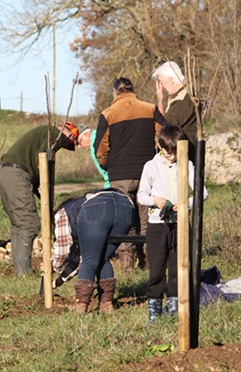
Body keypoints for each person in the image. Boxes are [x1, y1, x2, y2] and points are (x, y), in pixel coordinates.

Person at [93, 77, 168, 270]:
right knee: (147, 220)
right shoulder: (149, 108)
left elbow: (100, 149)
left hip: (119, 176)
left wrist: (110, 165)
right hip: (146, 173)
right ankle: (151, 262)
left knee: (124, 221)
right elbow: (165, 134)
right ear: (132, 90)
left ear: (114, 92)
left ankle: (127, 265)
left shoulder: (108, 114)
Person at [137, 125, 208, 323]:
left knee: (177, 267)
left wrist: (186, 203)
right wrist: (155, 200)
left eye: (176, 153)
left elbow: (203, 193)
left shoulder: (188, 166)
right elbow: (141, 196)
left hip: (180, 224)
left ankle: (175, 306)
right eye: (168, 153)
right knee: (157, 268)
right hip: (157, 225)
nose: (172, 157)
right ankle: (154, 309)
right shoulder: (150, 167)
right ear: (160, 147)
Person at [0, 122, 81, 276]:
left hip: (6, 172)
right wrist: (45, 181)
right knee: (30, 224)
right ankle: (24, 273)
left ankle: (20, 272)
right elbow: (43, 158)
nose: (64, 145)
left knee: (19, 224)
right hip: (17, 174)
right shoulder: (55, 134)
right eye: (70, 141)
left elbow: (36, 162)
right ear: (69, 134)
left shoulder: (45, 133)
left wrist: (44, 196)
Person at [51, 188, 135, 313]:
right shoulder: (79, 207)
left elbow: (62, 251)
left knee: (90, 260)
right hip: (126, 207)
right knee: (103, 258)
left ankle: (81, 308)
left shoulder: (62, 213)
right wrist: (58, 281)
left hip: (98, 209)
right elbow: (78, 260)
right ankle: (106, 305)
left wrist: (52, 267)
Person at [153, 61, 197, 161]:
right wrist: (160, 99)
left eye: (161, 82)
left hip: (183, 159)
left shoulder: (182, 101)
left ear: (171, 80)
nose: (161, 86)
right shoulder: (181, 96)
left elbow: (164, 130)